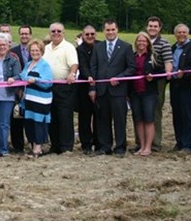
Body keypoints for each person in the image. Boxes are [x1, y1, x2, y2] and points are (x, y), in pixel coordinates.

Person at [89, 20, 135, 156]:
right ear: (103, 31)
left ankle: (120, 147)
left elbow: (131, 68)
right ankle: (105, 146)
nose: (110, 32)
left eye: (112, 29)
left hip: (119, 91)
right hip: (102, 90)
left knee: (120, 120)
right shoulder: (98, 47)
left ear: (117, 30)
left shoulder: (126, 47)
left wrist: (120, 77)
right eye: (107, 30)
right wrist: (93, 87)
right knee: (103, 120)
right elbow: (93, 67)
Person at [44, 22, 78, 154]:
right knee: (52, 118)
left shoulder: (68, 47)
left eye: (59, 31)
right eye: (53, 31)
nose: (56, 33)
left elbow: (74, 64)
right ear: (50, 33)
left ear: (63, 33)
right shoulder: (46, 48)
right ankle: (55, 145)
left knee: (65, 117)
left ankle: (66, 146)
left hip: (64, 86)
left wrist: (72, 73)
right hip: (48, 86)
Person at [169, 24, 191, 154]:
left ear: (188, 33)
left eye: (184, 32)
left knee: (187, 114)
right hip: (175, 85)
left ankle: (189, 144)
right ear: (175, 34)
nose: (181, 35)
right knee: (176, 114)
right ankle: (179, 142)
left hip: (187, 86)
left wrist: (185, 74)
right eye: (179, 32)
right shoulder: (173, 48)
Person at [129, 32, 162, 157]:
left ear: (148, 43)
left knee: (149, 119)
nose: (141, 43)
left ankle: (148, 147)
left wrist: (152, 77)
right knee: (138, 120)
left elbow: (161, 72)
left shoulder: (153, 57)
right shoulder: (132, 56)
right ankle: (141, 146)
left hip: (149, 93)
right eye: (139, 41)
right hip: (135, 92)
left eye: (144, 41)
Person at [19, 39, 53, 157]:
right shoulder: (28, 64)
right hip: (29, 99)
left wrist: (36, 80)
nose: (34, 53)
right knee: (30, 122)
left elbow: (48, 83)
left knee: (39, 123)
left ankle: (38, 148)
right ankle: (33, 145)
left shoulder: (45, 65)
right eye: (32, 50)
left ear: (42, 51)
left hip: (41, 100)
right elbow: (23, 76)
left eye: (37, 50)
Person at [145, 17, 173, 152]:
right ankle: (143, 142)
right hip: (144, 79)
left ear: (159, 28)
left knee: (155, 110)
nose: (152, 28)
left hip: (158, 80)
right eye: (150, 26)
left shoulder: (164, 43)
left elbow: (168, 60)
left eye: (155, 26)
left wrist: (168, 72)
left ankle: (155, 143)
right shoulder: (143, 40)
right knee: (142, 111)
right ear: (147, 27)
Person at [76, 25, 99, 154]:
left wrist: (95, 82)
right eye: (87, 34)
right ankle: (86, 144)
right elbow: (82, 66)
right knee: (84, 117)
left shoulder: (100, 46)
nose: (90, 36)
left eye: (92, 34)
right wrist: (89, 78)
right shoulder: (79, 49)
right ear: (83, 35)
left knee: (99, 116)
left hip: (99, 85)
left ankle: (98, 141)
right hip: (84, 86)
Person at [10, 25, 33, 153]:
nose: (24, 36)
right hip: (17, 92)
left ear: (30, 35)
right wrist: (18, 88)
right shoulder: (13, 51)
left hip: (33, 90)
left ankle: (32, 142)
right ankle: (18, 146)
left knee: (31, 118)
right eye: (22, 34)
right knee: (16, 118)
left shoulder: (36, 51)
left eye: (26, 34)